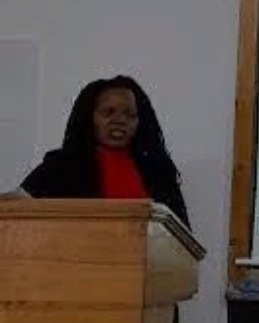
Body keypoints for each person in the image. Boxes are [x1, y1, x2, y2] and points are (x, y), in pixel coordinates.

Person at [20, 75, 190, 229]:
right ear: (89, 117)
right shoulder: (60, 167)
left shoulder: (158, 173)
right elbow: (16, 208)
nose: (119, 120)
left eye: (130, 115)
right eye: (108, 112)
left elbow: (182, 239)